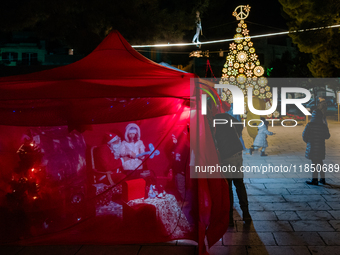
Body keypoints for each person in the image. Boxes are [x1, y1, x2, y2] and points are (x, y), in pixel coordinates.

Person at [214, 110, 251, 227]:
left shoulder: (211, 121)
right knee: (239, 183)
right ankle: (246, 214)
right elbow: (240, 124)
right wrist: (236, 136)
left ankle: (229, 217)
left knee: (228, 186)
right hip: (237, 151)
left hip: (226, 155)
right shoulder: (225, 116)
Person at [302, 109, 330, 185]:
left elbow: (304, 136)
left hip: (312, 146)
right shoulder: (323, 126)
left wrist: (308, 142)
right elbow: (327, 136)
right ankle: (322, 179)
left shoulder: (309, 125)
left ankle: (314, 180)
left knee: (314, 164)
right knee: (320, 163)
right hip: (320, 147)